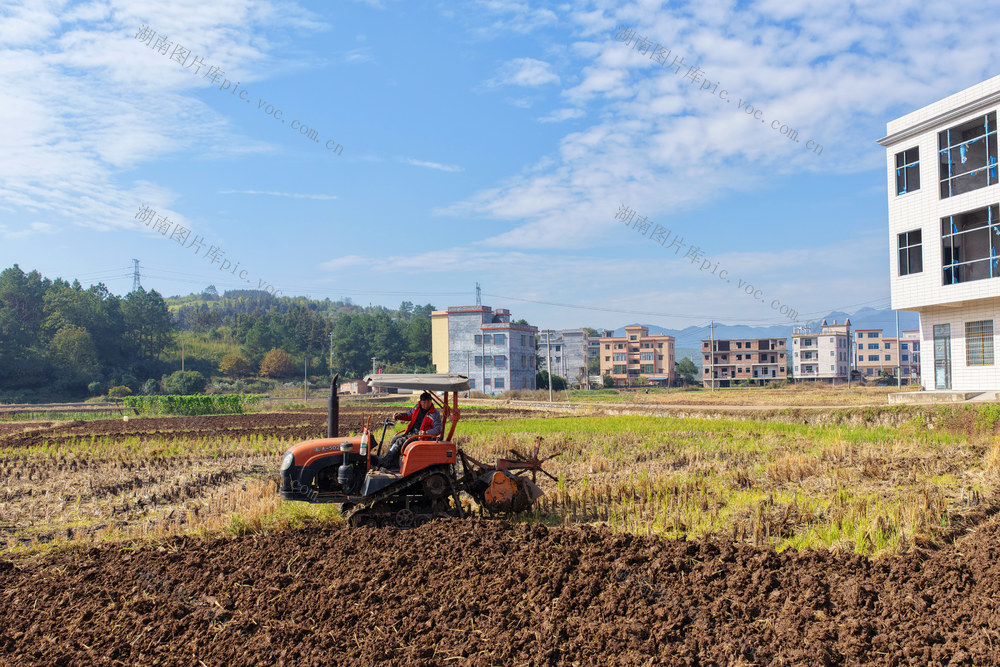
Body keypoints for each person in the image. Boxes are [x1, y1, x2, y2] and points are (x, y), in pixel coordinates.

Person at [378, 392, 442, 470]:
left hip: (422, 437)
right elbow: (409, 415)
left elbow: (438, 428)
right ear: (420, 402)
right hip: (412, 433)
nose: (426, 404)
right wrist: (400, 416)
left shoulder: (434, 414)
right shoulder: (416, 407)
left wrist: (426, 433)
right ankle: (393, 464)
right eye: (424, 402)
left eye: (428, 402)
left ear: (431, 401)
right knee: (394, 439)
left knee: (400, 441)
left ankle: (386, 460)